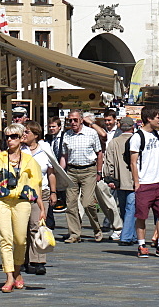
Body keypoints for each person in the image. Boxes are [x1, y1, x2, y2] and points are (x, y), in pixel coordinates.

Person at [0, 123, 45, 292]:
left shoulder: (29, 161)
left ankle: (17, 271)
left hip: (22, 201)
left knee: (20, 239)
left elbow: (36, 185)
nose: (10, 140)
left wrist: (42, 207)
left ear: (21, 139)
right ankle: (9, 276)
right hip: (1, 201)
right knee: (6, 238)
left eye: (14, 137)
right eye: (7, 137)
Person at [131, 107, 159, 258]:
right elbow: (133, 162)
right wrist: (137, 182)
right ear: (149, 119)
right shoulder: (137, 137)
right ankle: (141, 245)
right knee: (142, 216)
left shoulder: (158, 134)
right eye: (157, 117)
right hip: (144, 183)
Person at [59, 109, 103, 243]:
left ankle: (96, 228)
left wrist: (99, 172)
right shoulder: (67, 135)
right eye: (70, 120)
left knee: (88, 203)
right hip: (72, 171)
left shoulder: (91, 133)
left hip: (88, 170)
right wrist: (61, 171)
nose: (72, 123)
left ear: (81, 120)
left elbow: (99, 153)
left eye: (75, 120)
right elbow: (64, 156)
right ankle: (74, 234)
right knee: (71, 204)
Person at [22, 120, 57, 275]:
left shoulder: (45, 148)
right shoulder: (19, 149)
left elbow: (51, 171)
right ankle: (23, 260)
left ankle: (38, 260)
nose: (24, 134)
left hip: (42, 192)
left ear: (35, 135)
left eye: (27, 132)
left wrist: (53, 192)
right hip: (22, 193)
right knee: (22, 228)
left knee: (37, 225)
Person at [103, 116, 137, 245]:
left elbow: (109, 162)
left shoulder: (114, 142)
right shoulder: (137, 140)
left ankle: (131, 235)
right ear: (132, 127)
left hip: (119, 181)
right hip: (133, 180)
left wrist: (109, 178)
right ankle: (126, 236)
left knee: (124, 208)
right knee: (131, 208)